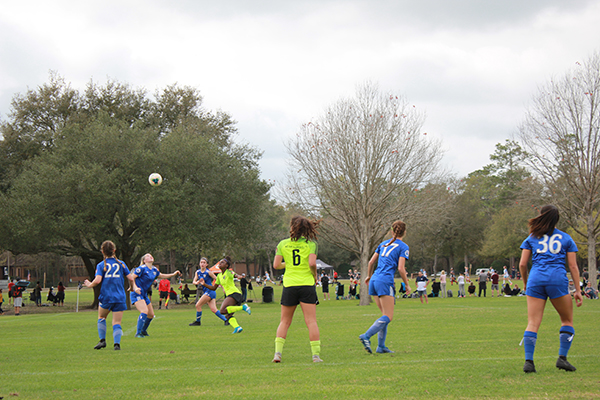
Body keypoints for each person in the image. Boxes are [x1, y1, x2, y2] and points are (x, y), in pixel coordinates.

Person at [519, 205, 583, 373]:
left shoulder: (532, 237)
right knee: (567, 320)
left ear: (541, 216)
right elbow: (573, 266)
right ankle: (562, 358)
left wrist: (526, 283)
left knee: (532, 323)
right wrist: (578, 290)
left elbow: (523, 264)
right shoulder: (566, 238)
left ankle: (529, 362)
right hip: (557, 280)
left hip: (536, 280)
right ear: (557, 219)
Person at [271, 216, 323, 363]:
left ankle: (277, 354)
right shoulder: (311, 244)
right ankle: (315, 356)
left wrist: (288, 264)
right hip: (306, 284)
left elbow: (276, 265)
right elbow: (312, 263)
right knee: (311, 321)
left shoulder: (283, 244)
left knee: (284, 321)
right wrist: (314, 275)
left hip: (289, 284)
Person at [359, 220, 412, 355]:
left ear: (392, 231)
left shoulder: (383, 244)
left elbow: (371, 262)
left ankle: (381, 346)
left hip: (374, 279)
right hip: (385, 281)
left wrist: (368, 276)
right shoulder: (403, 246)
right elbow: (401, 268)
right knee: (388, 316)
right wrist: (407, 284)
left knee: (384, 315)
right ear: (404, 232)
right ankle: (366, 335)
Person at [84, 240, 135, 350]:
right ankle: (117, 344)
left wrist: (89, 284)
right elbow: (131, 277)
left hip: (107, 296)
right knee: (117, 322)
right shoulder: (121, 263)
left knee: (102, 317)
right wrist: (132, 287)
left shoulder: (101, 265)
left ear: (102, 251)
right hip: (120, 297)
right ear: (114, 250)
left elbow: (97, 280)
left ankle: (102, 341)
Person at [129, 253, 181, 338]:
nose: (150, 256)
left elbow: (161, 275)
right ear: (144, 260)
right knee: (144, 311)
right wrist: (134, 288)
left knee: (151, 315)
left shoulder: (154, 269)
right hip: (137, 293)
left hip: (144, 294)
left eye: (151, 255)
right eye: (148, 256)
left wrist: (173, 274)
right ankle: (138, 333)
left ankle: (143, 331)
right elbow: (132, 277)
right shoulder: (141, 268)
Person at [199, 257, 251, 334]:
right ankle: (237, 327)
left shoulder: (229, 272)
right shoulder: (219, 276)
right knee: (228, 316)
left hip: (234, 294)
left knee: (222, 310)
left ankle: (243, 307)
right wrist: (204, 284)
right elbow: (213, 288)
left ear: (226, 265)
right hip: (231, 295)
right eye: (220, 262)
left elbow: (235, 275)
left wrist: (239, 276)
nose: (220, 263)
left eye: (222, 262)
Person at [189, 257, 229, 327]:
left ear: (207, 264)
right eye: (201, 262)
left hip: (210, 291)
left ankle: (198, 322)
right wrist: (197, 282)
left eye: (204, 263)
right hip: (207, 292)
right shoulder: (197, 272)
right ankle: (226, 320)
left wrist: (223, 288)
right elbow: (194, 282)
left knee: (198, 305)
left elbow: (218, 280)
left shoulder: (208, 272)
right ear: (199, 263)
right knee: (214, 310)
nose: (202, 264)